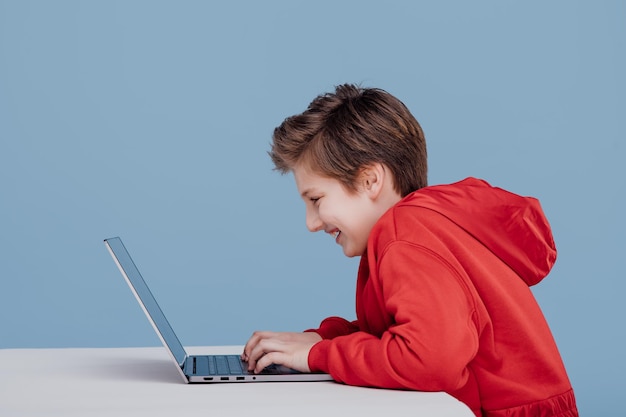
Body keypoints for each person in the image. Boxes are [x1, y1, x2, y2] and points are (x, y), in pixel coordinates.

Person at [241, 84, 578, 417]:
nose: (311, 223)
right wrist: (322, 340)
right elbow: (400, 334)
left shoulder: (405, 234)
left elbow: (429, 361)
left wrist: (319, 355)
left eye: (316, 200)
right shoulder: (418, 229)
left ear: (371, 180)